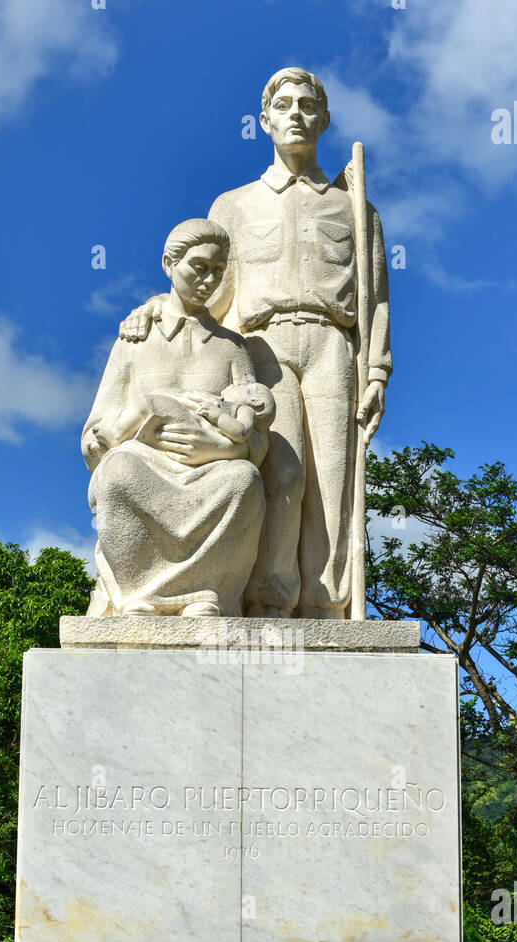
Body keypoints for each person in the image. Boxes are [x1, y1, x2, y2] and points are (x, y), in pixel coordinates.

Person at [119, 67, 391, 619]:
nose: (296, 114)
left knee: (333, 484)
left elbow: (376, 300)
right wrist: (157, 306)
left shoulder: (355, 211)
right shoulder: (233, 205)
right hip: (260, 346)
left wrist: (378, 371)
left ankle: (323, 603)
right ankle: (269, 595)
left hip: (330, 343)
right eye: (284, 105)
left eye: (307, 105)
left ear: (324, 119)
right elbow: (208, 290)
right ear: (264, 120)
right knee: (282, 475)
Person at [82, 219, 272, 618]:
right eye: (198, 268)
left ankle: (204, 592)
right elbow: (94, 433)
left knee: (244, 480)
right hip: (145, 464)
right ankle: (140, 594)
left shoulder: (232, 348)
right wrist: (127, 429)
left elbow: (256, 431)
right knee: (117, 470)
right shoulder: (134, 340)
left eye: (218, 272)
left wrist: (221, 446)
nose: (209, 281)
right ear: (169, 264)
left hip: (211, 474)